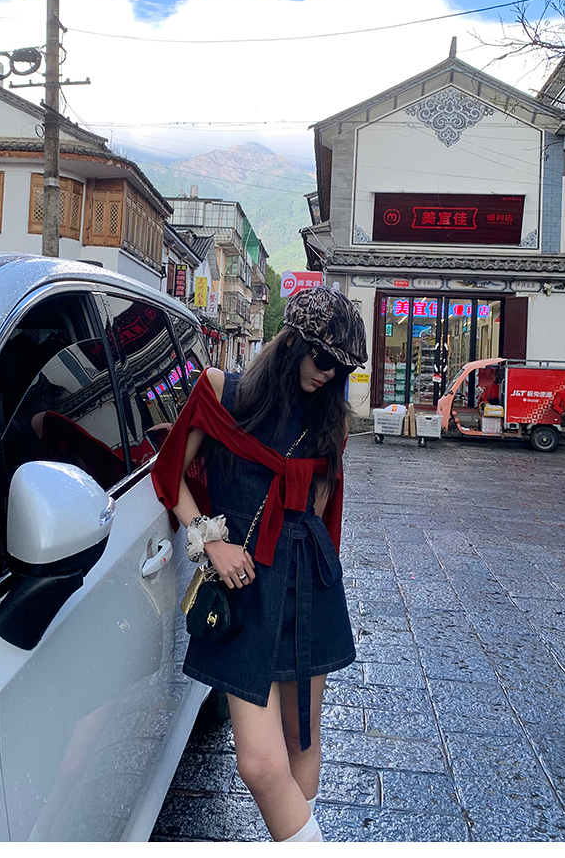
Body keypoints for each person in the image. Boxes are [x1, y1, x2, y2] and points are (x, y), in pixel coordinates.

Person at [151, 286, 368, 843]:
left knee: (301, 740)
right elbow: (169, 474)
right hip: (244, 584)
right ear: (290, 342)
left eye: (341, 368)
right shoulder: (221, 392)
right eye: (322, 358)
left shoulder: (331, 421)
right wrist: (211, 543)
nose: (329, 374)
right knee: (258, 761)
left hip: (307, 582)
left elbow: (322, 506)